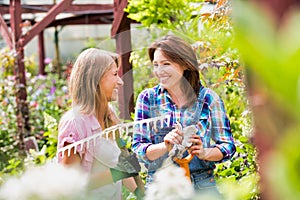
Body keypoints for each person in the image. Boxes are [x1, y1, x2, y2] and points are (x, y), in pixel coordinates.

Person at [132, 35, 236, 196]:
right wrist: (164, 146)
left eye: (166, 64)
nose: (159, 71)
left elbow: (228, 146)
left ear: (185, 64)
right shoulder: (147, 99)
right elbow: (139, 149)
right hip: (161, 186)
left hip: (202, 185)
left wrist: (204, 152)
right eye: (156, 65)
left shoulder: (209, 99)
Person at [57, 48, 142, 200]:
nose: (120, 81)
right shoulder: (75, 123)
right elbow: (69, 185)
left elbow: (124, 167)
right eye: (115, 74)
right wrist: (118, 172)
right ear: (95, 79)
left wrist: (140, 193)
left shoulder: (109, 115)